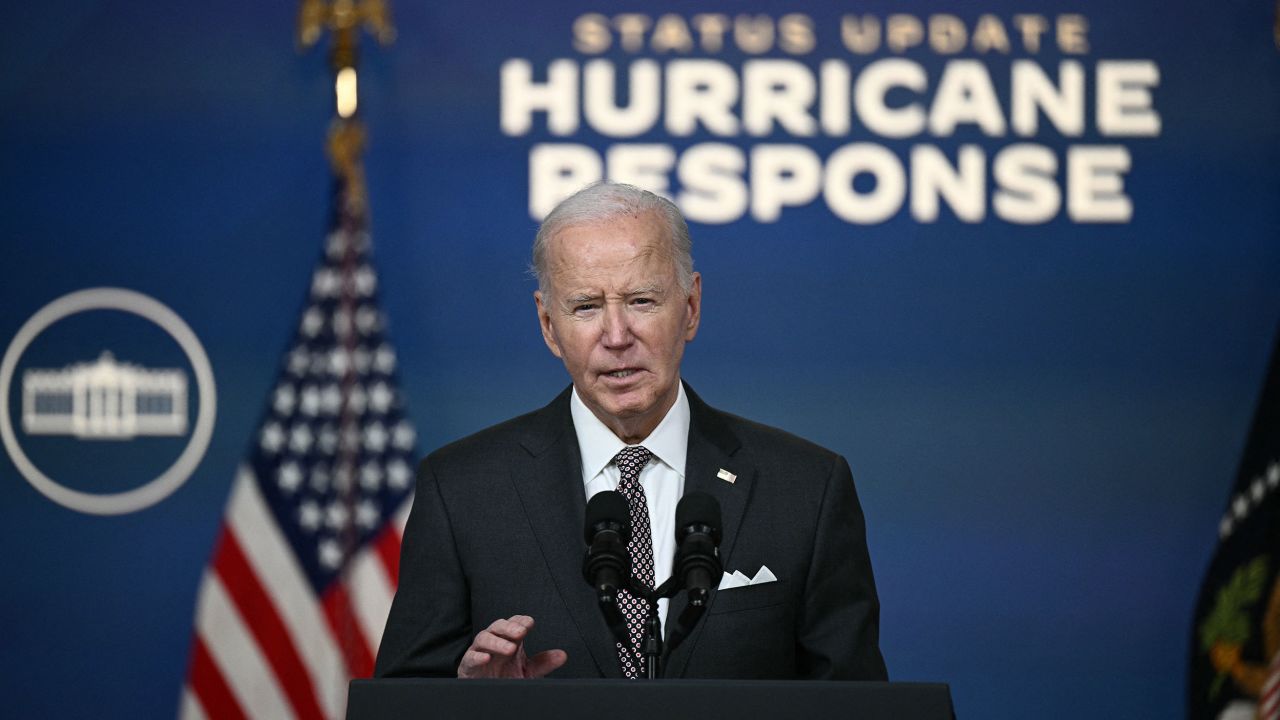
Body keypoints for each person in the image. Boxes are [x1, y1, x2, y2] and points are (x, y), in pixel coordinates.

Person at [374, 182, 886, 680]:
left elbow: (859, 709)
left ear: (690, 308)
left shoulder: (805, 487)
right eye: (586, 307)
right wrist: (475, 709)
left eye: (641, 300)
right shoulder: (462, 490)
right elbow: (402, 703)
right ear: (549, 325)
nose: (617, 337)